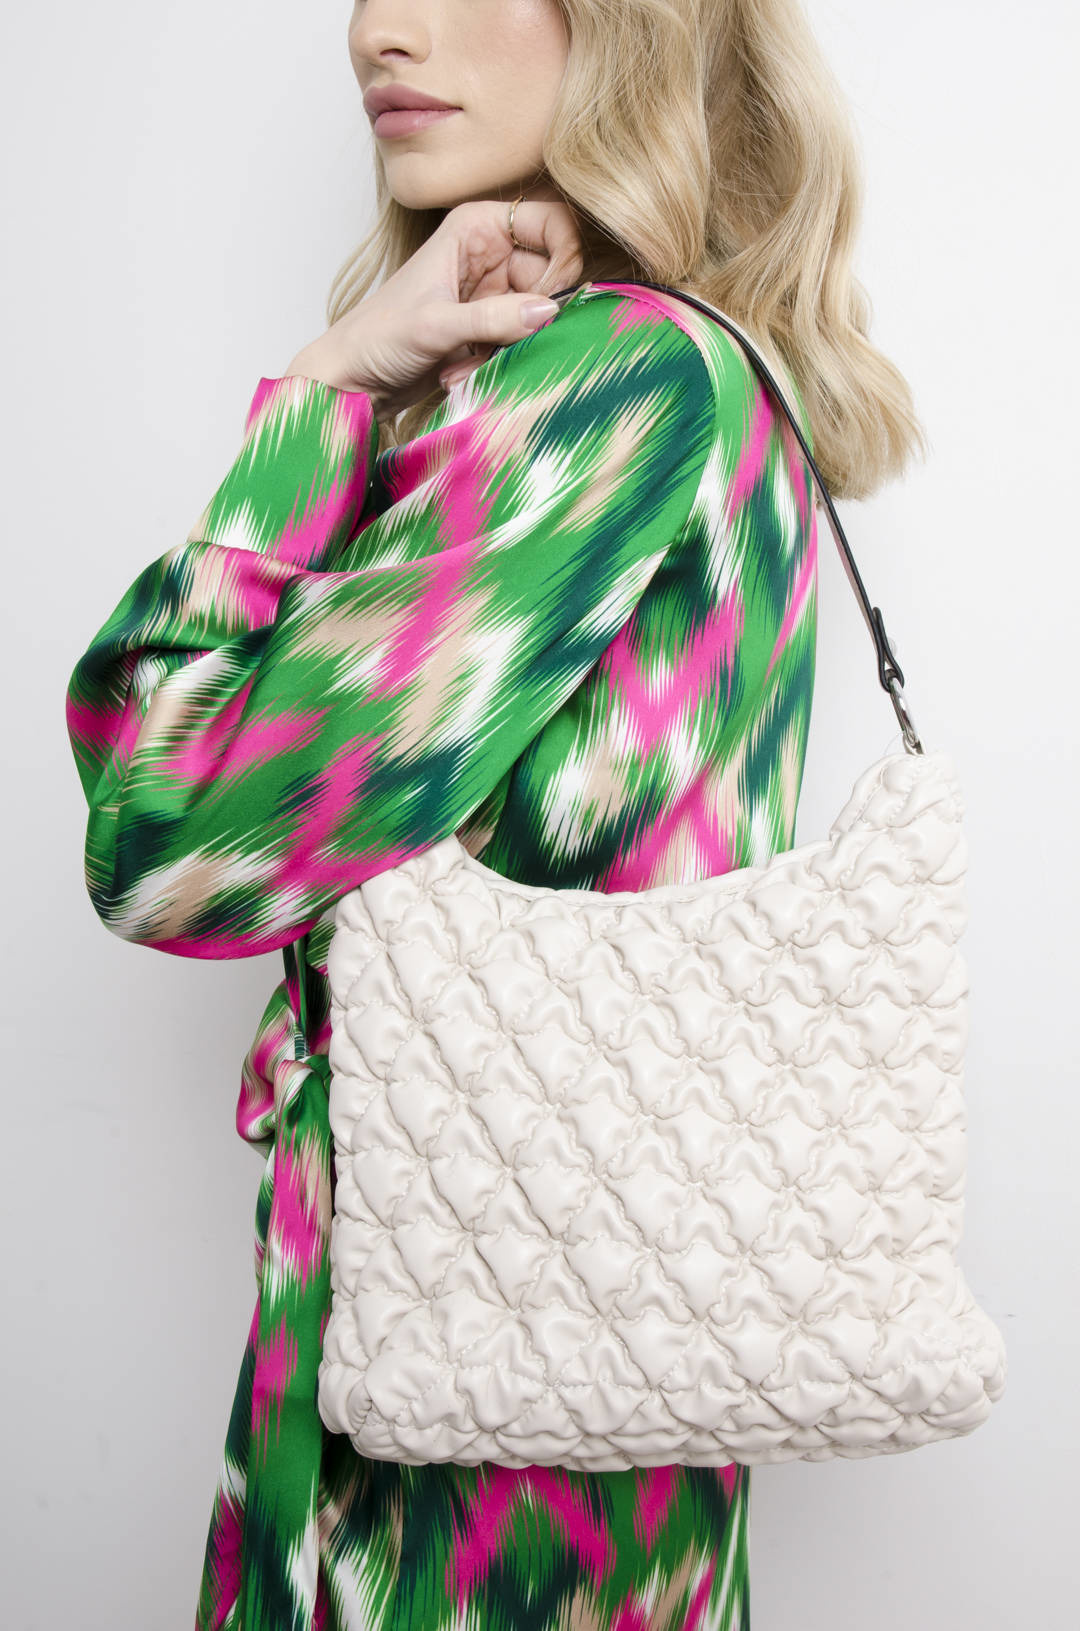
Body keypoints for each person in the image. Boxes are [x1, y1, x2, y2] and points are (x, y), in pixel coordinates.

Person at [64, 2, 928, 1626]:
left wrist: (319, 388)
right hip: (581, 1401)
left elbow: (164, 837)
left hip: (470, 1476)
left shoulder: (617, 380)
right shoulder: (694, 375)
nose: (380, 29)